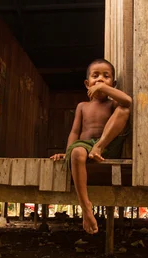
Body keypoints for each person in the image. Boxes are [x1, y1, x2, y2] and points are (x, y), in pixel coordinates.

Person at [50, 59, 131, 234]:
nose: (100, 79)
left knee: (124, 110)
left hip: (106, 146)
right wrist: (67, 152)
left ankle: (99, 147)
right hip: (85, 145)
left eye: (106, 77)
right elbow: (74, 132)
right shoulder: (82, 106)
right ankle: (86, 207)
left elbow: (127, 101)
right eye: (95, 76)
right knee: (77, 153)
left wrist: (102, 88)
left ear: (113, 84)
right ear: (87, 84)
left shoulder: (112, 104)